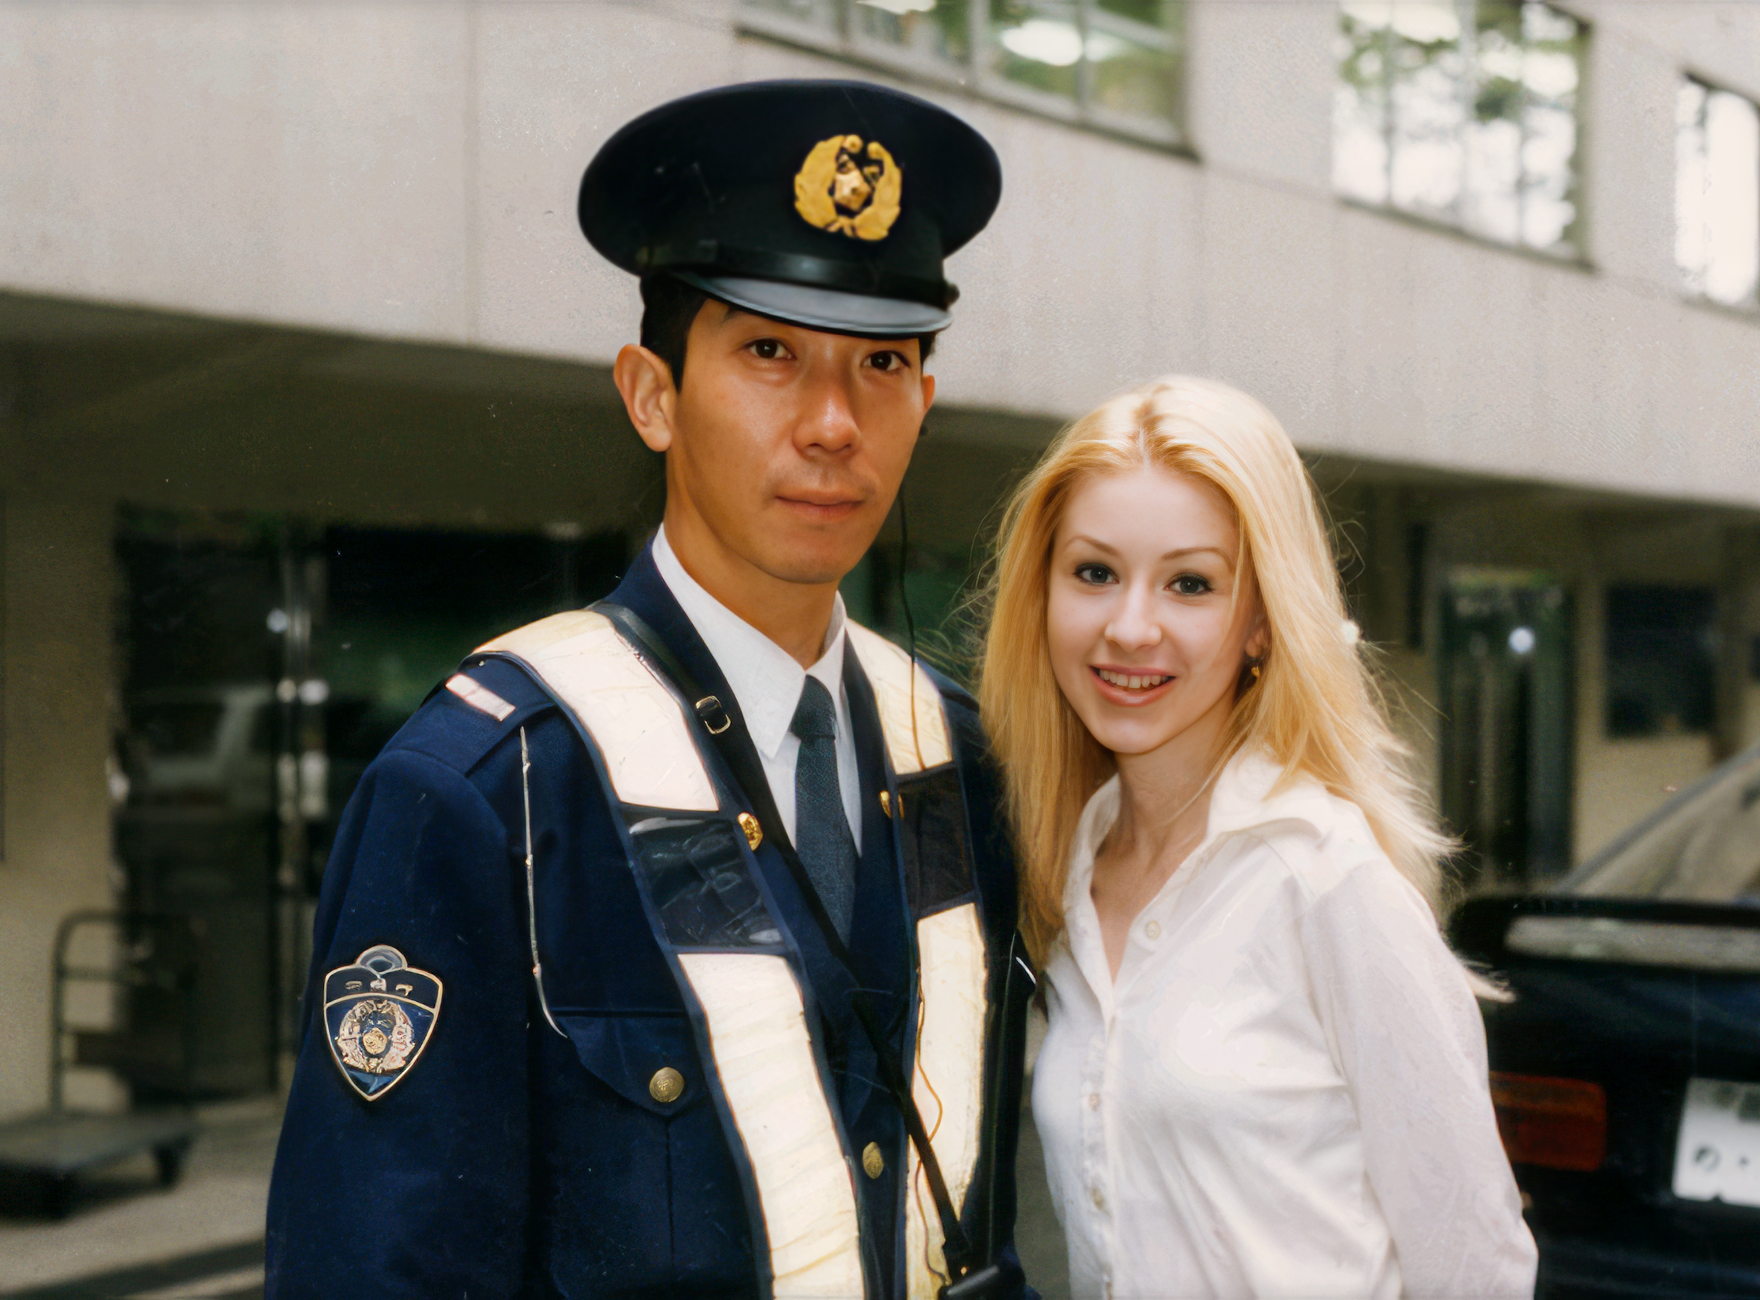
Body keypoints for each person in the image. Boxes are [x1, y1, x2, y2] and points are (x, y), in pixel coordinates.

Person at [266, 80, 1036, 1300]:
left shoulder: (957, 755)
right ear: (652, 393)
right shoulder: (493, 788)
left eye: (882, 361)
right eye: (770, 352)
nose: (833, 423)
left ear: (923, 404)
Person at [977, 377, 1537, 1299]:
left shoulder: (1325, 882)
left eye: (1190, 583)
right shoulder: (1066, 872)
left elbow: (1479, 1265)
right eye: (1094, 572)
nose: (1130, 626)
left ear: (1262, 624)